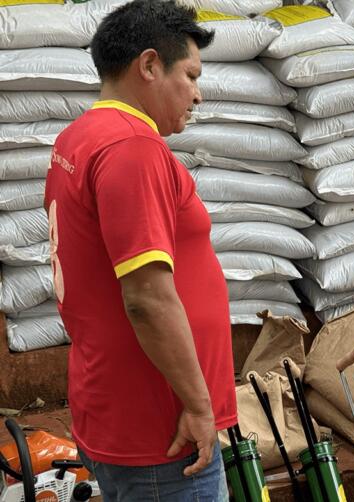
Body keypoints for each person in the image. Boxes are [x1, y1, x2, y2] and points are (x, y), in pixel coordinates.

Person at [44, 1, 236, 500]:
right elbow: (146, 299)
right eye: (190, 75)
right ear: (149, 65)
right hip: (161, 434)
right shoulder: (133, 149)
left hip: (120, 408)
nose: (197, 94)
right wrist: (199, 406)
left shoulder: (80, 137)